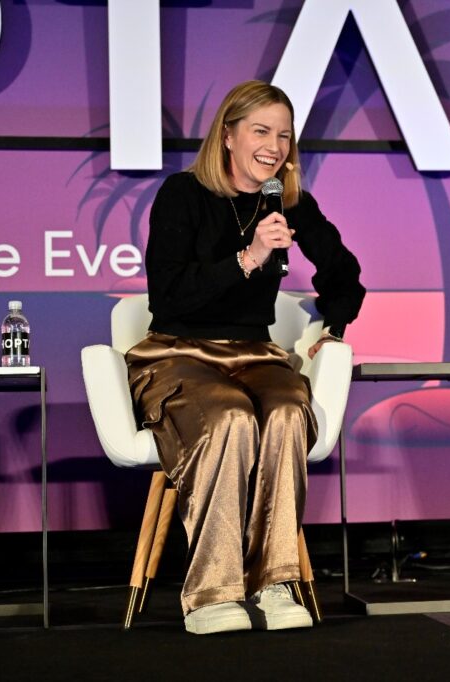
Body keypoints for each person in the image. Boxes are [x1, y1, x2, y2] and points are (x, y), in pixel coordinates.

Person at [125, 80, 365, 635]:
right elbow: (167, 295)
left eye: (284, 135)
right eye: (261, 131)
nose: (274, 146)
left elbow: (343, 271)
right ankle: (212, 592)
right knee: (230, 417)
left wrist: (332, 326)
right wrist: (250, 256)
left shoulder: (288, 201)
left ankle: (274, 582)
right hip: (177, 352)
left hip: (256, 353)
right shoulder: (182, 194)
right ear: (228, 135)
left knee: (285, 413)